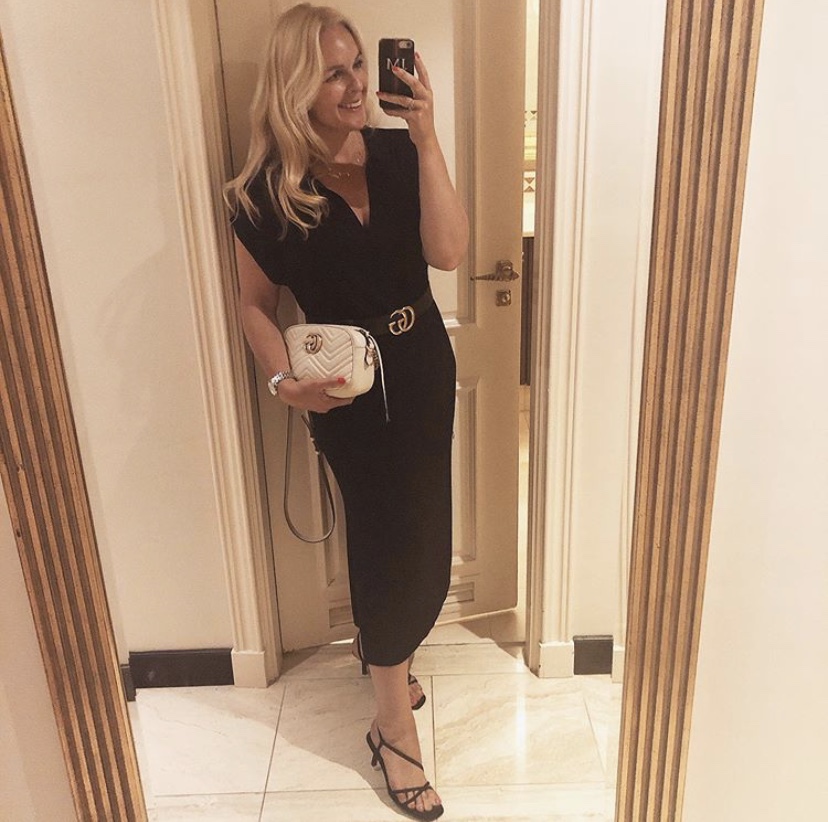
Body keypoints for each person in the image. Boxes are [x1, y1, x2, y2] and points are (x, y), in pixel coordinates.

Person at [225, 4, 468, 820]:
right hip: (346, 389)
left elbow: (450, 252)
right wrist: (280, 382)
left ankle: (385, 654)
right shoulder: (265, 192)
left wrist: (428, 137)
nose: (356, 83)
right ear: (295, 84)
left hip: (423, 364)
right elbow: (254, 305)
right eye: (334, 72)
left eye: (358, 64)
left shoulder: (399, 152)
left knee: (426, 535)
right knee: (383, 541)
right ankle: (392, 725)